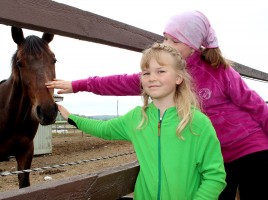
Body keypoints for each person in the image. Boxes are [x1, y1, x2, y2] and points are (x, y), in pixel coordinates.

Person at [46, 10, 268, 199]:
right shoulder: (160, 74)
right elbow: (118, 82)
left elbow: (256, 105)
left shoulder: (219, 71)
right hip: (215, 153)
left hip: (251, 147)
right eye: (165, 38)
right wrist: (77, 85)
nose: (165, 44)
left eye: (174, 40)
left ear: (193, 46)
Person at [57, 43, 226, 199]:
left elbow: (215, 177)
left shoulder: (197, 123)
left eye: (161, 71)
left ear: (179, 78)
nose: (152, 77)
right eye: (146, 73)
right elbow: (104, 129)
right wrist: (72, 118)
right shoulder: (136, 119)